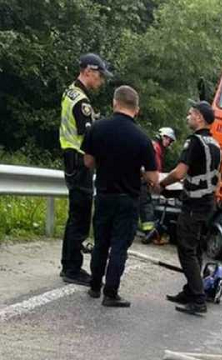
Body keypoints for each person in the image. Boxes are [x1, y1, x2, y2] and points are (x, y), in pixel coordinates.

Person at [81, 86, 159, 307]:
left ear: (115, 103)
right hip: (128, 198)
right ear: (137, 109)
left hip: (104, 194)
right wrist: (141, 174)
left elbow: (87, 162)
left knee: (100, 243)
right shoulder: (142, 139)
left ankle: (95, 286)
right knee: (119, 247)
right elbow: (153, 177)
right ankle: (111, 293)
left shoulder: (97, 128)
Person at [156, 100, 222, 314]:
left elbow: (179, 173)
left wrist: (161, 184)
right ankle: (192, 291)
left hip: (194, 205)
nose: (188, 116)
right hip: (208, 204)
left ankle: (198, 299)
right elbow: (216, 178)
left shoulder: (194, 142)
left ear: (200, 118)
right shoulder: (216, 145)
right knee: (196, 249)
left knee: (186, 250)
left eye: (191, 113)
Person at [59, 53, 112, 286]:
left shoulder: (70, 91)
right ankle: (72, 268)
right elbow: (89, 135)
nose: (100, 81)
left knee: (74, 215)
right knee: (80, 216)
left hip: (70, 157)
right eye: (99, 75)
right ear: (88, 71)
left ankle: (67, 263)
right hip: (80, 160)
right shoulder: (82, 101)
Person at [139, 127, 176, 245]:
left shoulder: (156, 148)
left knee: (142, 205)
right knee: (146, 206)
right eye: (168, 139)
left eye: (170, 141)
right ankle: (150, 233)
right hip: (142, 180)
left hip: (143, 179)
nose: (168, 142)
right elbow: (153, 167)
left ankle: (148, 232)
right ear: (162, 136)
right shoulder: (155, 147)